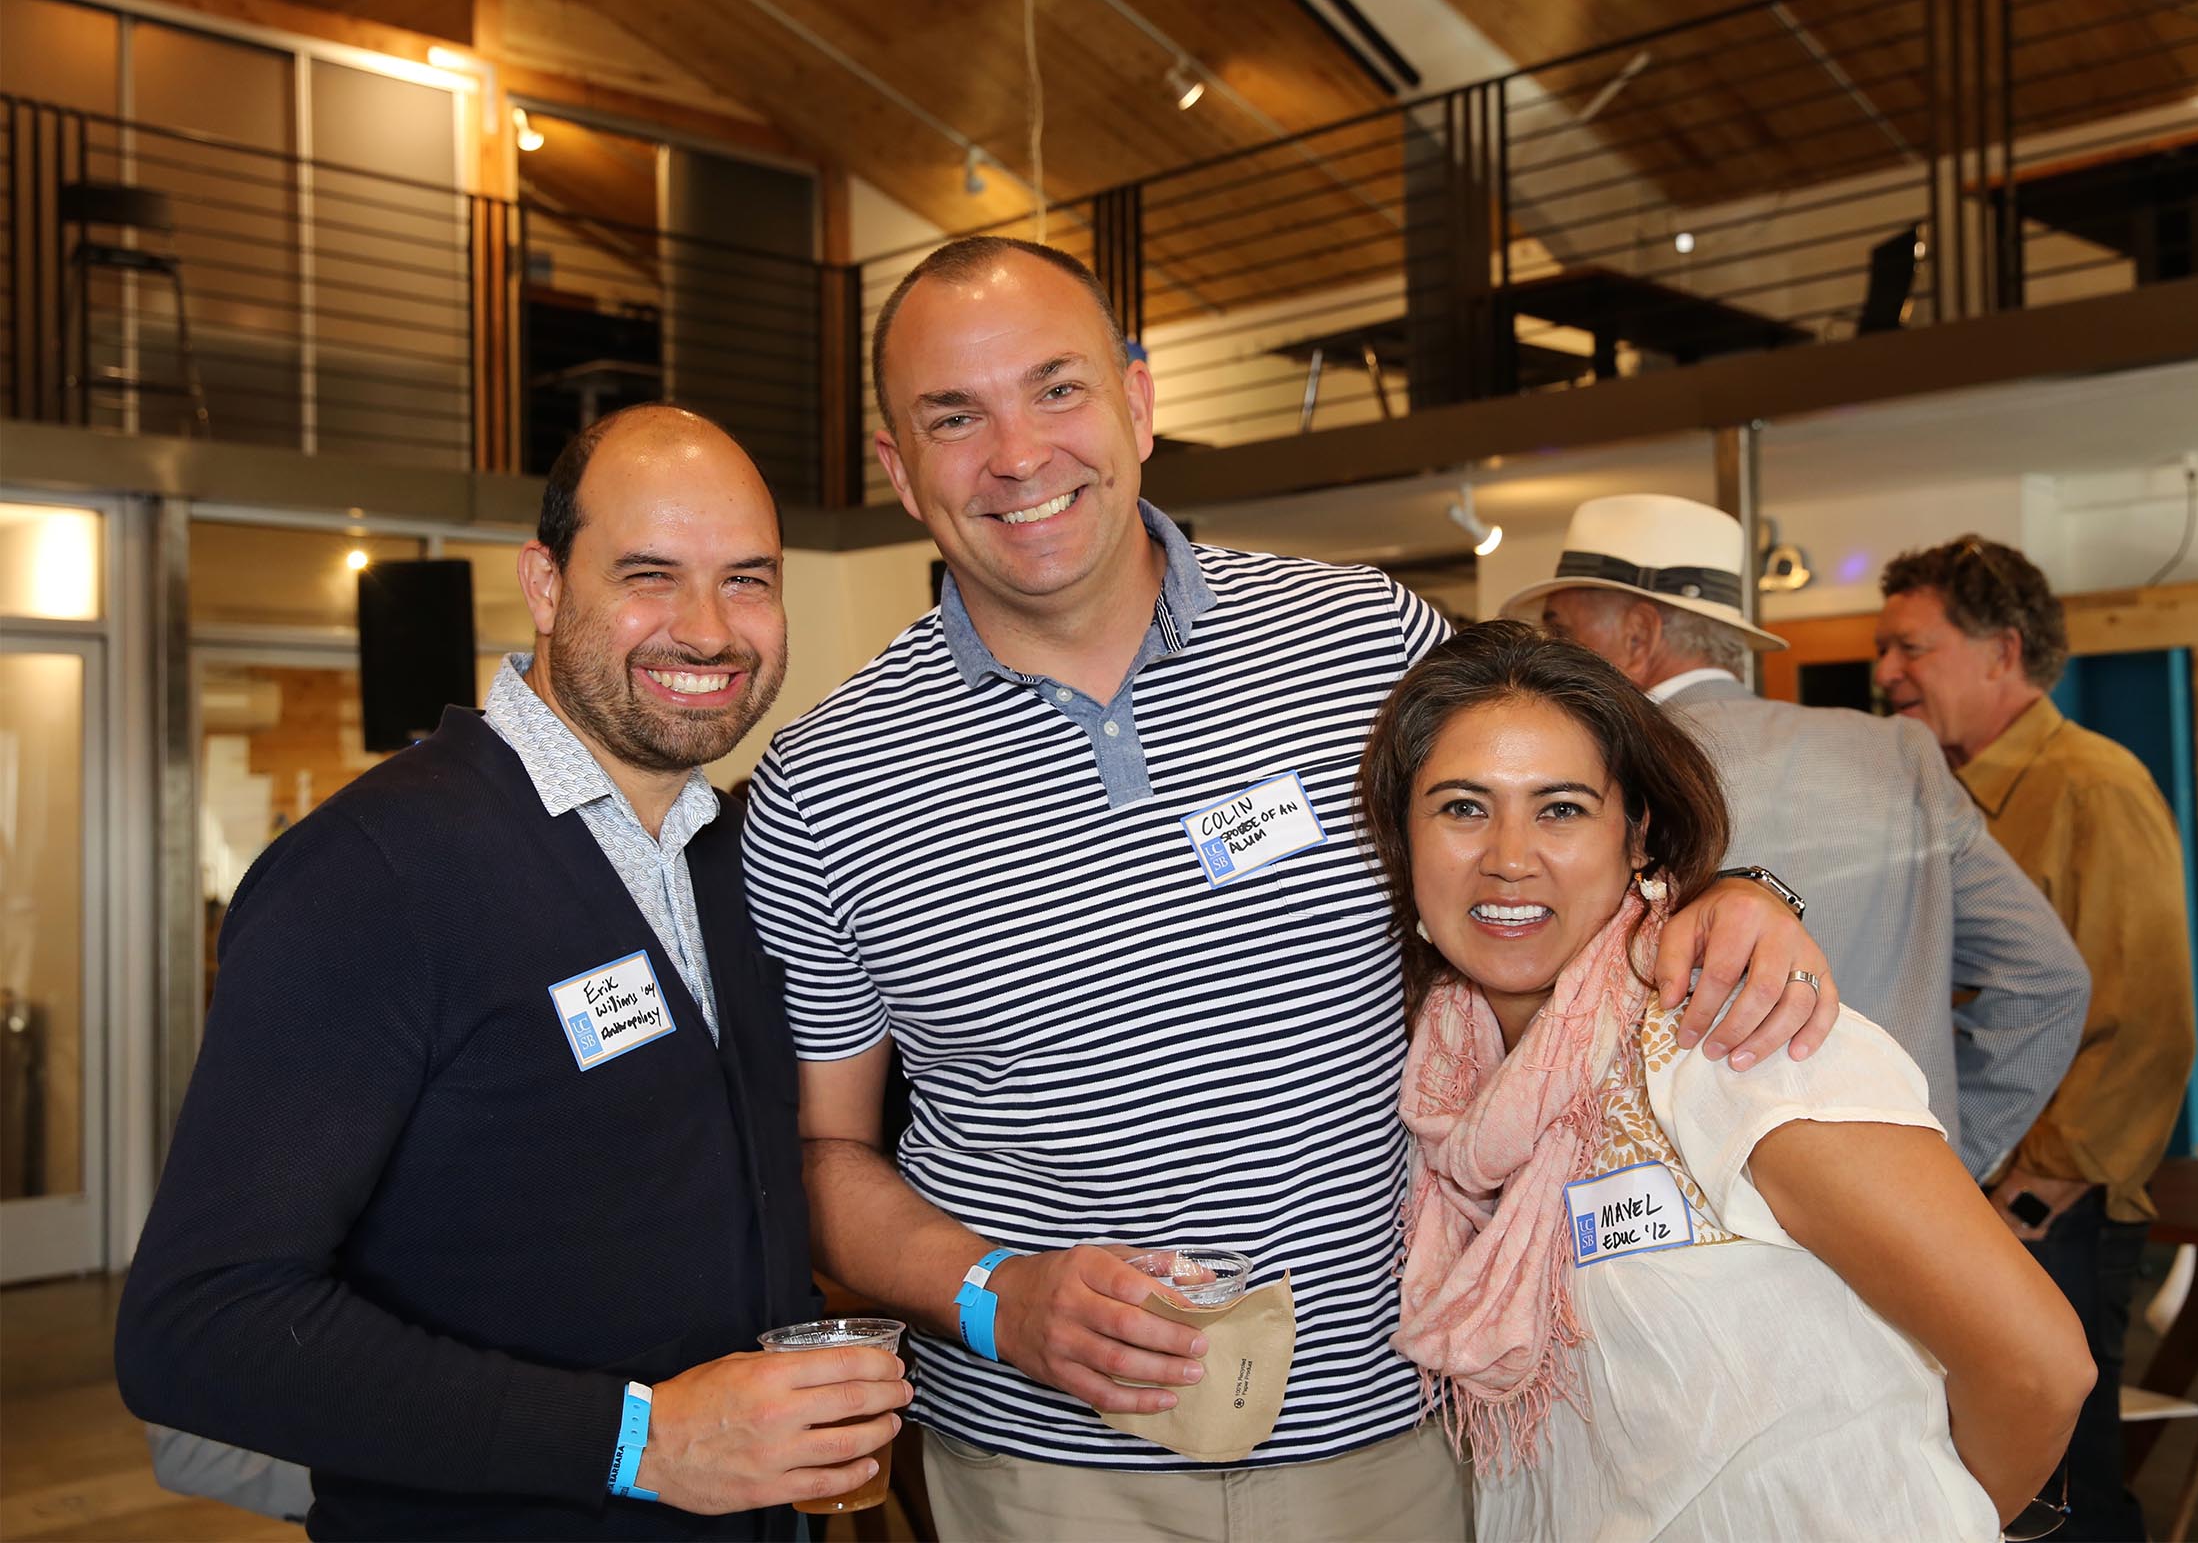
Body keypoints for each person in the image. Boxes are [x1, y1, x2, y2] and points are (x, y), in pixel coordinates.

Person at [741, 237, 1839, 1543]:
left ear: (1137, 403)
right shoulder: (825, 779)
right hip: (1044, 1476)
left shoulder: (1369, 642)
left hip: (1398, 1438)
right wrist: (992, 1295)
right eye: (953, 416)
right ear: (897, 466)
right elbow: (828, 1153)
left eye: (1056, 389)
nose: (1019, 454)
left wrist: (1736, 889)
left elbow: (1583, 826)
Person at [117, 406, 912, 1539]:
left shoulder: (747, 855)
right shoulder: (369, 876)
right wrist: (641, 1441)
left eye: (747, 580)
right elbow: (198, 1329)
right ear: (544, 584)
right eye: (650, 575)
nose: (707, 630)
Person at [1363, 619, 2094, 1540]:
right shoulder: (1441, 1080)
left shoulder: (1735, 1033)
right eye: (1463, 807)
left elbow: (2038, 1366)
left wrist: (1922, 1513)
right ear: (1403, 839)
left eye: (1561, 809)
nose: (1511, 856)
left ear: (1638, 837)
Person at [1511, 492, 2090, 1175]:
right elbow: (2045, 981)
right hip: (1900, 1216)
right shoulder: (1898, 755)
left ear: (1639, 636)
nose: (1550, 657)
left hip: (1679, 1216)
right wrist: (1945, 1154)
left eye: (1560, 631)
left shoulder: (1599, 776)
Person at [1877, 533, 2196, 1541]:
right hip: (1956, 1204)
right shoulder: (1924, 794)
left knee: (2065, 1498)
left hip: (2045, 1215)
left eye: (1909, 648)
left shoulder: (2092, 786)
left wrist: (2029, 1192)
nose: (1886, 674)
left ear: (2000, 650)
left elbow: (2143, 1021)